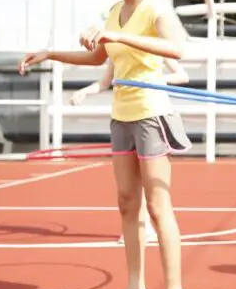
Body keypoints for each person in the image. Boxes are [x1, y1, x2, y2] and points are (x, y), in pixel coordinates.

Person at [19, 0, 192, 289]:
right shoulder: (114, 12)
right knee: (127, 203)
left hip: (151, 115)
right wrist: (50, 53)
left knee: (158, 206)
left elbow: (177, 49)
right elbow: (98, 58)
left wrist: (118, 34)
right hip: (122, 116)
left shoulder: (156, 8)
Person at [71, 57, 190, 246]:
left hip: (150, 115)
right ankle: (141, 228)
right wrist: (84, 91)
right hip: (123, 118)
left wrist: (155, 80)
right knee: (130, 183)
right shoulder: (116, 49)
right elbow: (105, 82)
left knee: (153, 186)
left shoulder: (156, 46)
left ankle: (157, 230)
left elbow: (182, 76)